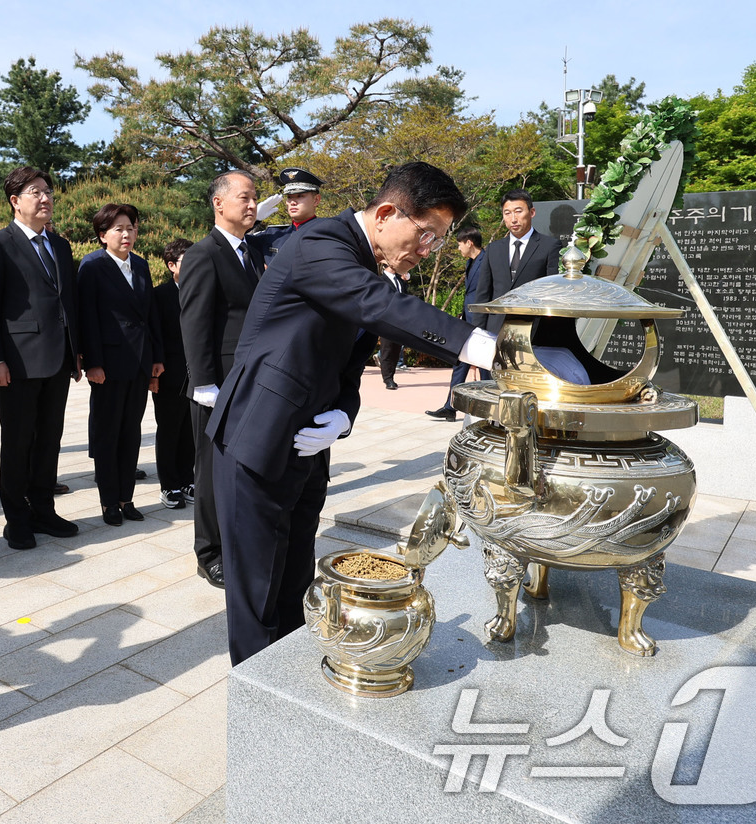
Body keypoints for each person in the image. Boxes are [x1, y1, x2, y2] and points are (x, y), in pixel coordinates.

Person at [207, 161, 497, 665]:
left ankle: (291, 675)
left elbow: (348, 358)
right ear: (387, 213)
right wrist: (475, 343)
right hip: (257, 436)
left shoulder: (364, 263)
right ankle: (259, 696)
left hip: (307, 443)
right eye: (426, 235)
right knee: (256, 590)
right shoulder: (323, 243)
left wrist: (343, 413)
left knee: (296, 575)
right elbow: (376, 306)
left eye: (438, 242)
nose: (427, 252)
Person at [0, 166, 81, 550]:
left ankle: (44, 510)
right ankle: (16, 518)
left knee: (49, 439)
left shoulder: (61, 245)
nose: (45, 198)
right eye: (35, 192)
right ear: (15, 201)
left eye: (48, 191)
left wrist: (77, 351)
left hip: (58, 357)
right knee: (18, 441)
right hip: (17, 361)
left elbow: (67, 303)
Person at [178, 170, 262, 589]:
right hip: (217, 385)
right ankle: (209, 553)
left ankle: (236, 541)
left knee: (238, 467)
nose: (251, 205)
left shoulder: (251, 253)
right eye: (244, 197)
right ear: (219, 203)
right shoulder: (202, 254)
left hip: (248, 380)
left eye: (254, 198)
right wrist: (204, 382)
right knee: (210, 470)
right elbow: (194, 323)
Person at [78, 204, 164, 525]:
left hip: (140, 363)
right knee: (107, 434)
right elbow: (88, 319)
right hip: (109, 365)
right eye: (118, 229)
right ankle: (108, 502)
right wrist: (93, 364)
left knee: (131, 433)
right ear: (103, 235)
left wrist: (156, 358)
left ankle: (126, 499)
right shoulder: (92, 266)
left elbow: (150, 315)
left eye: (131, 227)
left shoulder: (140, 265)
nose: (126, 234)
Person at [475, 189, 562, 379]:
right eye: (507, 213)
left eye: (518, 211)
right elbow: (483, 293)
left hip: (534, 333)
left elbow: (553, 293)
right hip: (495, 332)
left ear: (532, 212)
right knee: (493, 387)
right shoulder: (493, 249)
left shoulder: (549, 246)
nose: (513, 218)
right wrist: (479, 334)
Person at [152, 238, 195, 511]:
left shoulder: (202, 291)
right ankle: (169, 485)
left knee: (191, 430)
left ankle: (187, 479)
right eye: (186, 261)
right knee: (169, 429)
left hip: (198, 375)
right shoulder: (160, 295)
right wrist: (154, 371)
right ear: (171, 265)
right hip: (169, 374)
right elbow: (155, 335)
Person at [427, 226, 487, 421]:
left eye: (459, 244)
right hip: (469, 321)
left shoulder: (486, 261)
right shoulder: (471, 262)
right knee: (460, 361)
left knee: (485, 366)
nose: (458, 249)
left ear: (469, 242)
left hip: (481, 323)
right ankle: (450, 407)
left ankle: (491, 407)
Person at [248, 166, 323, 269]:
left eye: (300, 196)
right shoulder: (273, 235)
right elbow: (234, 240)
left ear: (316, 200)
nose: (292, 202)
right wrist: (253, 220)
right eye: (289, 197)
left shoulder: (328, 232)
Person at [375, 266, 409, 390]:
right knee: (387, 349)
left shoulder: (400, 280)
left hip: (400, 320)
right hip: (387, 320)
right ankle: (387, 379)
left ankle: (392, 376)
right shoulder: (380, 280)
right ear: (386, 266)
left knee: (396, 350)